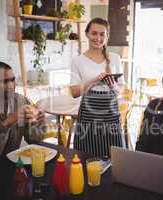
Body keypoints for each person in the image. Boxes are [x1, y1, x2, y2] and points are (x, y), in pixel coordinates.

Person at [70, 18, 125, 157]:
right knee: (86, 154)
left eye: (102, 34)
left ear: (107, 37)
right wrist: (95, 80)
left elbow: (121, 91)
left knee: (114, 155)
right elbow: (74, 92)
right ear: (87, 34)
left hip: (111, 112)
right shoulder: (78, 61)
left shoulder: (115, 58)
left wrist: (113, 86)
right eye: (94, 33)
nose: (98, 38)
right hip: (88, 113)